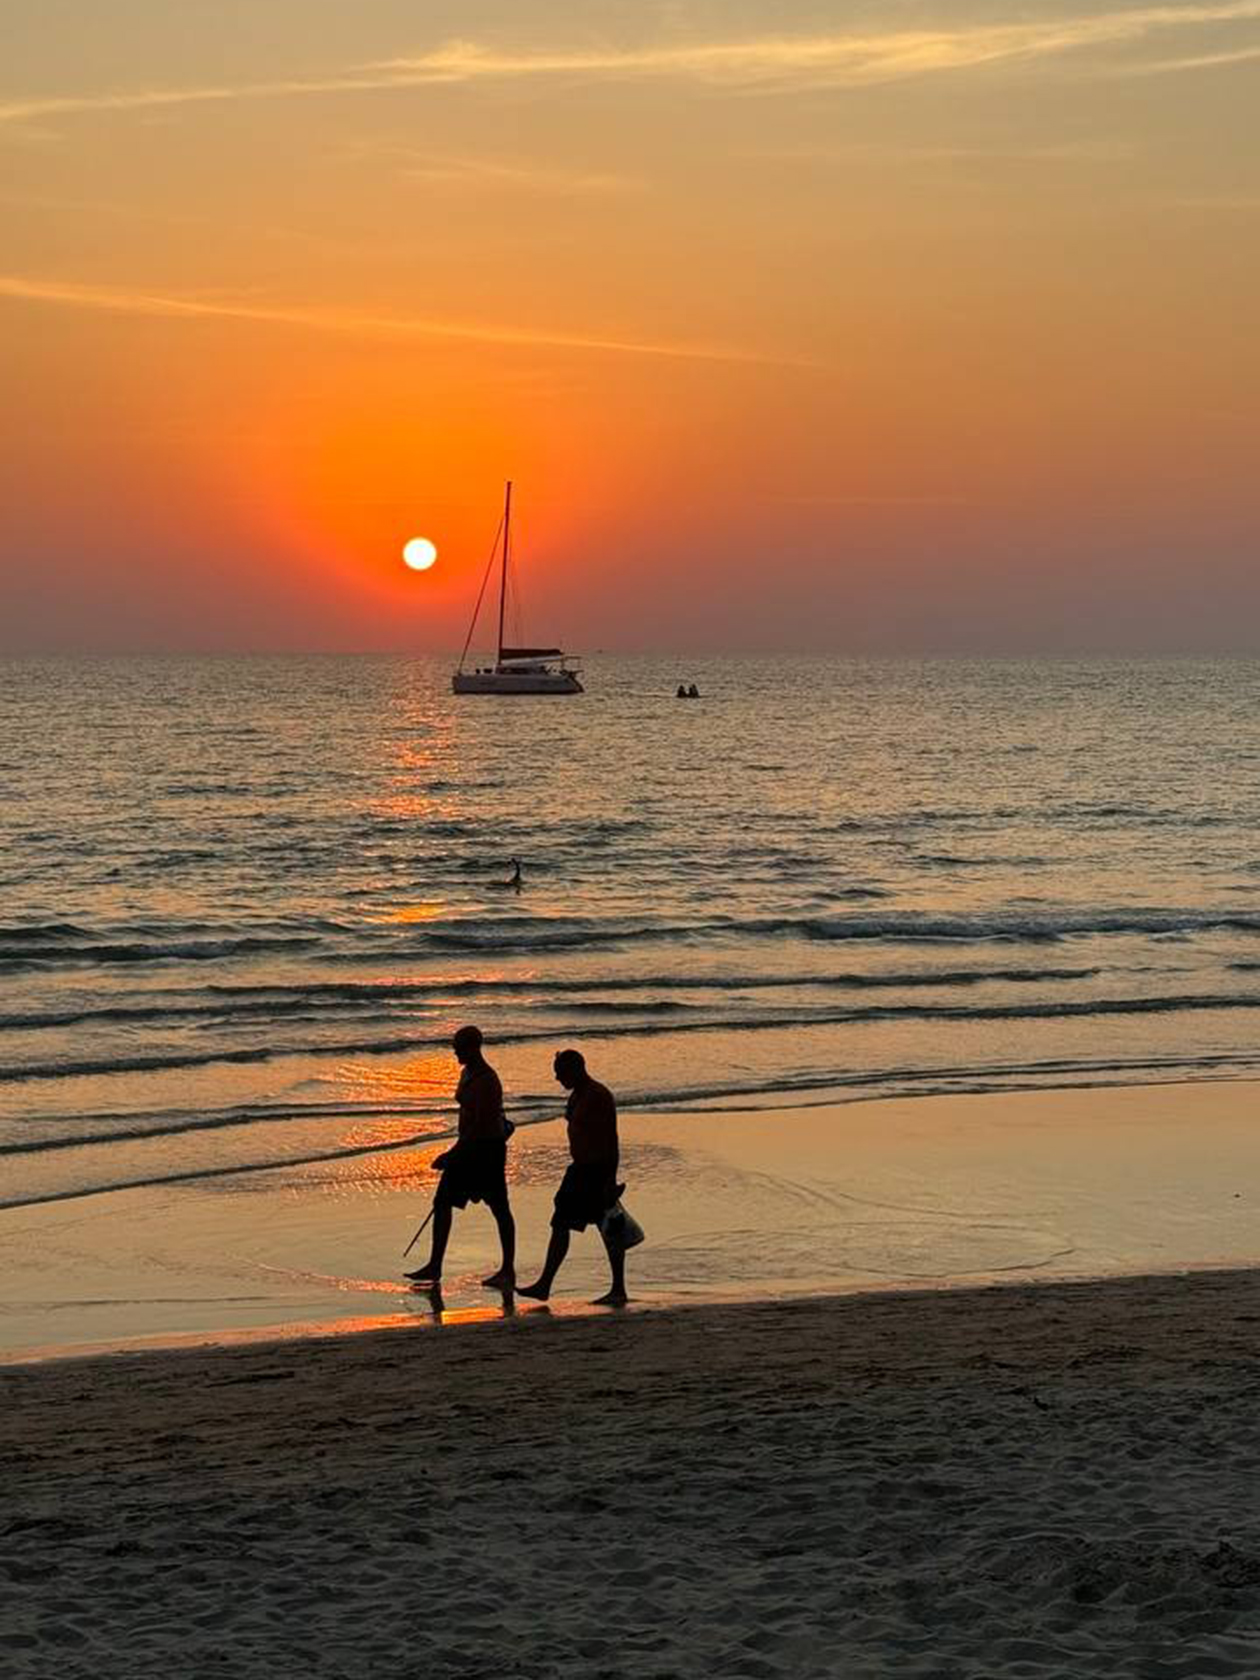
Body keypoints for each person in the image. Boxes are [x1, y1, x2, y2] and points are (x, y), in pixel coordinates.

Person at [405, 1025, 515, 1290]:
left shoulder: (488, 1080)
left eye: (458, 1046)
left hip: (485, 1150)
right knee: (442, 1202)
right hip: (468, 1147)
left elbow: (481, 1125)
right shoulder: (467, 1073)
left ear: (472, 1047)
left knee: (499, 1208)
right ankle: (435, 1265)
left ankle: (508, 1269)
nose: (454, 1050)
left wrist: (451, 1154)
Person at [520, 1049, 628, 1307]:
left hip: (597, 1170)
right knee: (563, 1222)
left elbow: (611, 1140)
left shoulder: (598, 1096)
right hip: (579, 1169)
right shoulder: (576, 1096)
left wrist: (609, 1181)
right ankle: (545, 1284)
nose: (558, 1079)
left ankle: (617, 1288)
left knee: (608, 1228)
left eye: (560, 1073)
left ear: (575, 1069)